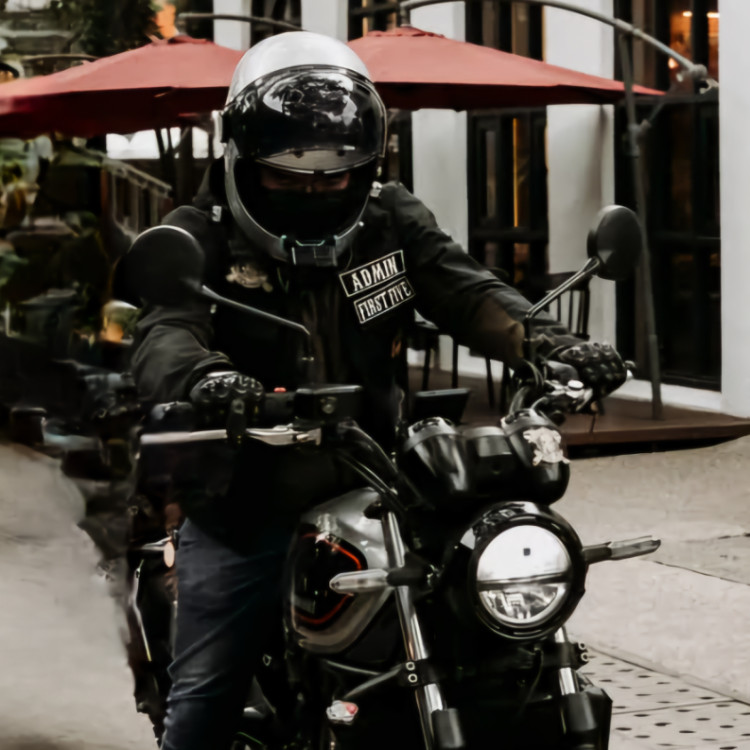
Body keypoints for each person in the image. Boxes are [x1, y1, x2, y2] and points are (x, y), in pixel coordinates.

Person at [128, 31, 626, 750]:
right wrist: (212, 381)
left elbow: (467, 291)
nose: (313, 190)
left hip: (381, 489)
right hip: (248, 498)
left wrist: (554, 346)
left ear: (366, 166)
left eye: (334, 178)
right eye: (289, 177)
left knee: (486, 628)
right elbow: (165, 332)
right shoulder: (199, 234)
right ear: (242, 157)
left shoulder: (389, 219)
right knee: (207, 692)